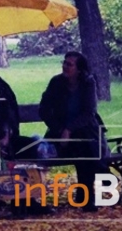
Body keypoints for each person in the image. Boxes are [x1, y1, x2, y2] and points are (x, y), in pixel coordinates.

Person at [40, 50, 101, 208]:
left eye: (70, 64)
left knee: (85, 147)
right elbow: (44, 110)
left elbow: (89, 113)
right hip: (58, 133)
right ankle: (84, 196)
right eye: (64, 63)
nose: (65, 66)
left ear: (79, 69)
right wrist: (60, 130)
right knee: (82, 148)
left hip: (83, 131)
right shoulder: (56, 83)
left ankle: (86, 197)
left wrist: (69, 129)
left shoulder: (88, 83)